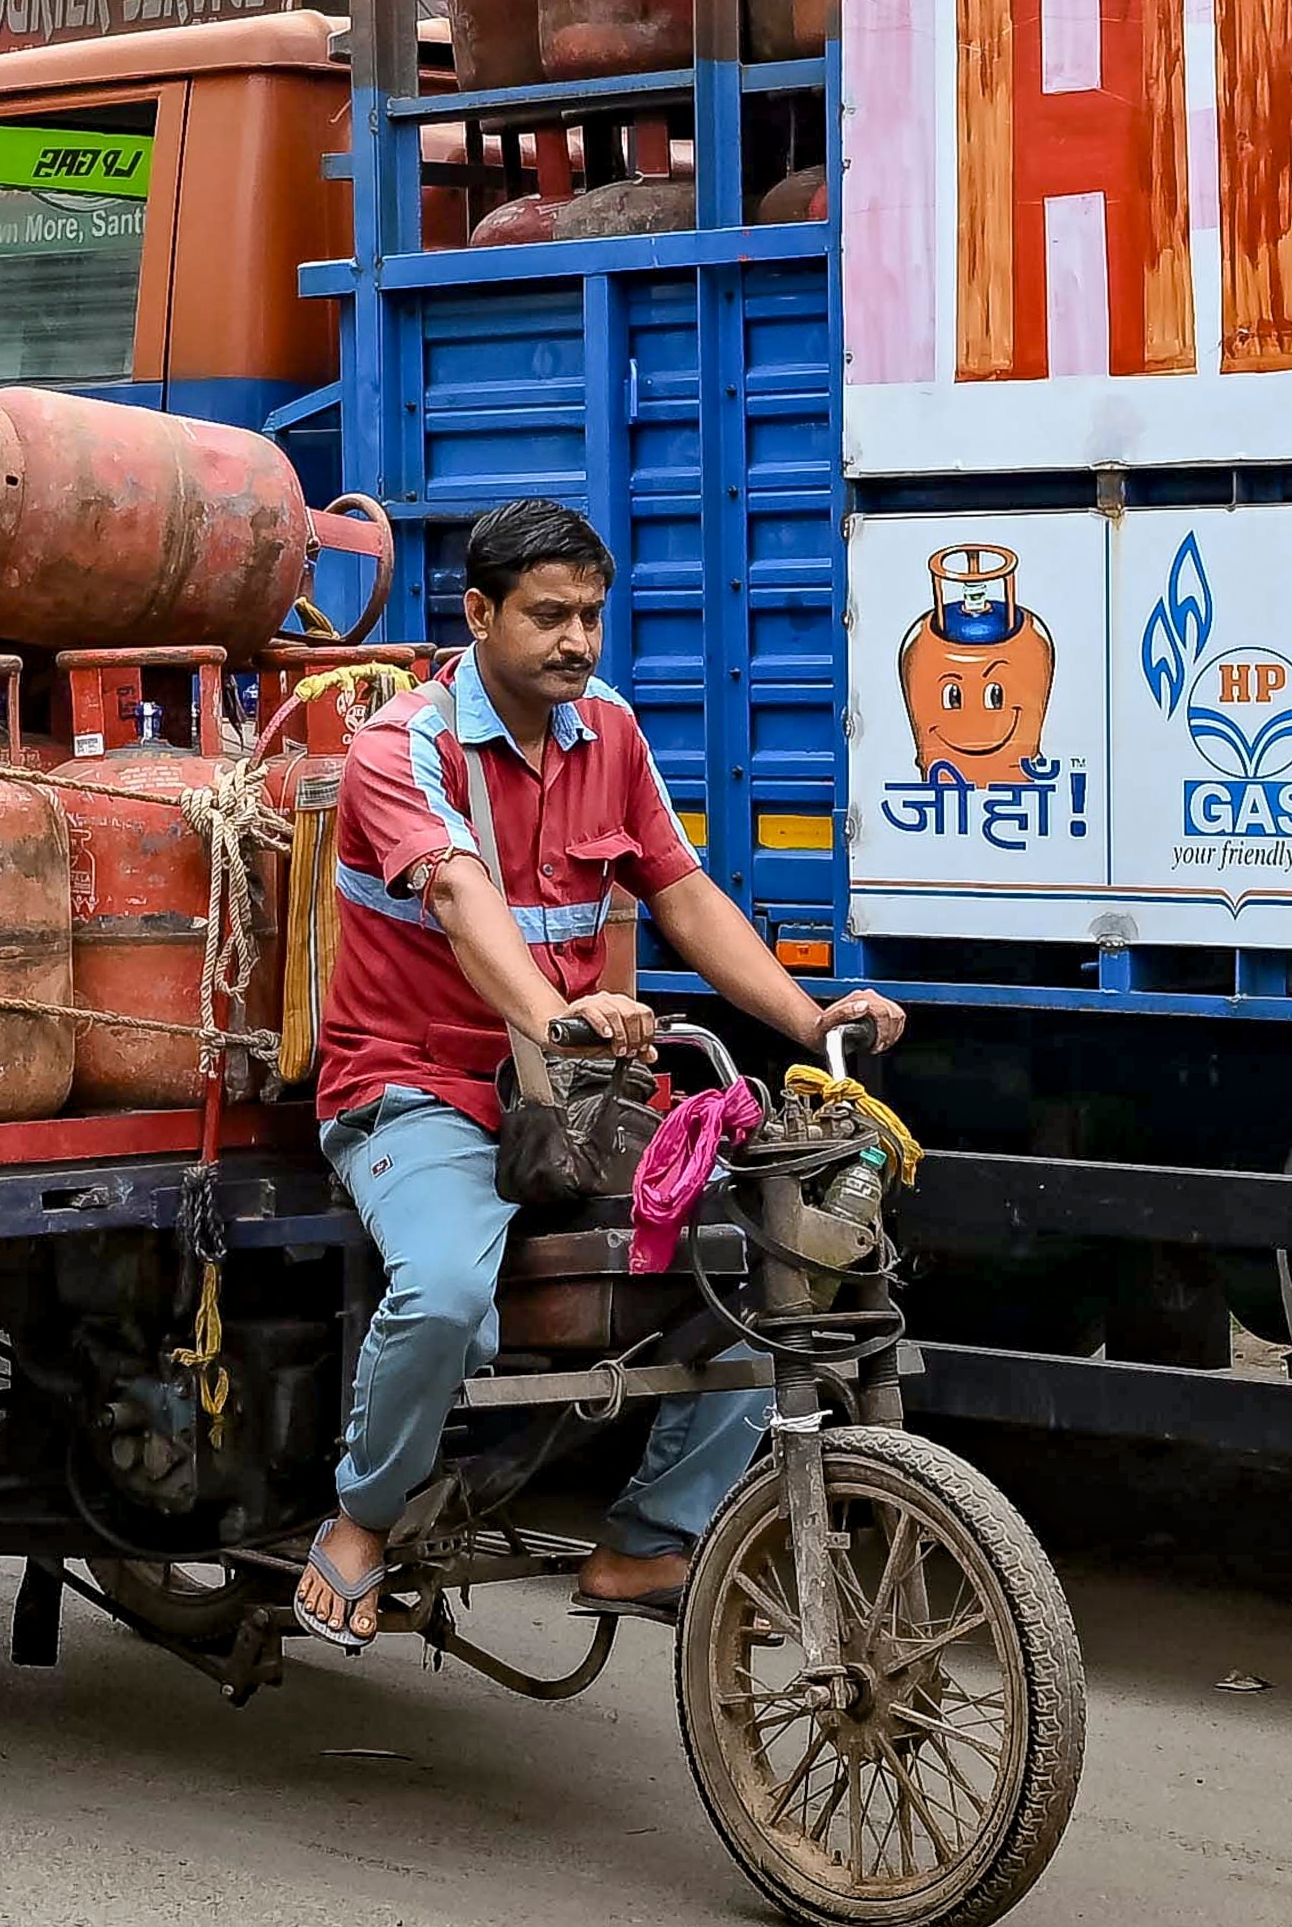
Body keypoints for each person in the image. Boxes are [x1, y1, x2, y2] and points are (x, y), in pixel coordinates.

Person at [296, 496, 906, 1651]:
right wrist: (556, 1015)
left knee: (771, 1261)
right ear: (477, 615)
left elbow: (680, 892)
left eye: (590, 615)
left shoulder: (609, 729)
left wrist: (809, 1016)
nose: (577, 639)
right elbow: (459, 896)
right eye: (547, 615)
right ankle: (365, 1516)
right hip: (420, 1087)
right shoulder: (401, 748)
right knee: (440, 1296)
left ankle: (651, 1537)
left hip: (582, 1104)